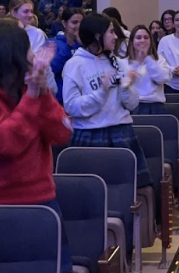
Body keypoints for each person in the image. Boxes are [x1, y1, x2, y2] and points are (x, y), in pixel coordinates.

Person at [0, 24, 73, 273]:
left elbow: (63, 133)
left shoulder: (31, 91)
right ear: (10, 54)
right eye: (29, 50)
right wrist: (32, 97)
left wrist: (42, 94)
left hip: (42, 201)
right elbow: (5, 143)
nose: (35, 57)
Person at [61, 14, 152, 189]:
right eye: (111, 32)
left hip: (121, 132)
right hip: (90, 135)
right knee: (89, 194)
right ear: (97, 35)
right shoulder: (75, 64)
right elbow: (72, 107)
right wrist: (101, 92)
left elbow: (132, 105)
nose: (116, 36)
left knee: (131, 192)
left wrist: (126, 87)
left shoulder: (118, 61)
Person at [10, 0, 57, 97]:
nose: (30, 15)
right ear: (13, 13)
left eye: (31, 11)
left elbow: (35, 60)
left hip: (32, 83)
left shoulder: (37, 33)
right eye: (26, 11)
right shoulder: (5, 32)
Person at [127, 24, 172, 115]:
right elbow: (125, 83)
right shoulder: (124, 62)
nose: (142, 40)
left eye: (146, 37)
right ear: (132, 41)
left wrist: (148, 59)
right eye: (138, 38)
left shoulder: (159, 59)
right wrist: (137, 63)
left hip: (155, 106)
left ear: (151, 41)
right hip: (133, 106)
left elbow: (163, 78)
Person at [50, 8, 83, 104]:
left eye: (81, 23)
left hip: (82, 96)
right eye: (74, 22)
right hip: (61, 97)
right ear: (64, 23)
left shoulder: (86, 44)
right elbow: (52, 68)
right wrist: (69, 45)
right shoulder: (53, 43)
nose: (78, 26)